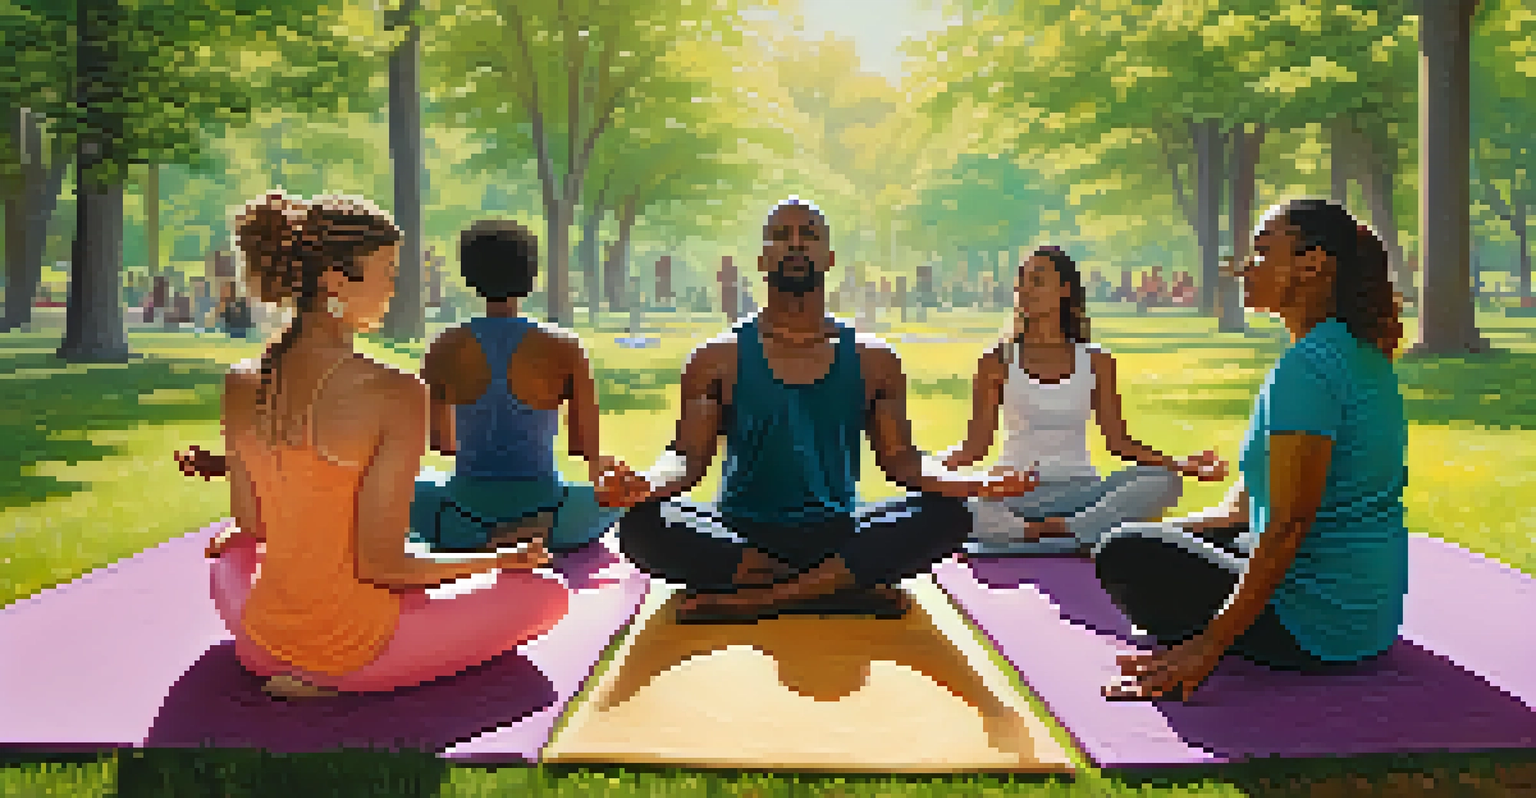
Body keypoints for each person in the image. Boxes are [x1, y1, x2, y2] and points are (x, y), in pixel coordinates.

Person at [197, 191, 571, 700]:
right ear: (334, 279)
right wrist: (498, 559)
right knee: (548, 594)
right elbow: (384, 567)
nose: (395, 288)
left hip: (261, 638)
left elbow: (253, 524)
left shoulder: (240, 381)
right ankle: (329, 677)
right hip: (353, 647)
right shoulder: (394, 391)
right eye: (388, 272)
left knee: (232, 552)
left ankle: (294, 659)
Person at [616, 197, 1038, 624]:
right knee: (640, 526)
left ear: (829, 257)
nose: (796, 244)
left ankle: (760, 599)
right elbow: (686, 458)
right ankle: (832, 589)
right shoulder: (716, 359)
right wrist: (643, 484)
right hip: (741, 534)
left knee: (948, 515)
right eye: (782, 236)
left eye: (809, 236)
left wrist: (975, 482)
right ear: (763, 259)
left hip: (835, 531)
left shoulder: (875, 360)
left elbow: (902, 462)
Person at [1095, 199, 1408, 701]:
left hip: (1317, 627)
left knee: (1125, 555)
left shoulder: (1307, 368)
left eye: (1263, 252)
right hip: (1366, 619)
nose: (1246, 266)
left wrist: (1209, 644)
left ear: (1313, 263)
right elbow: (1241, 509)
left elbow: (1288, 524)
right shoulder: (1357, 353)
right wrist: (1162, 530)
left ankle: (1234, 629)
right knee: (1148, 538)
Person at [939, 246, 1227, 556]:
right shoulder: (996, 360)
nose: (1024, 289)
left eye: (1037, 280)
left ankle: (1057, 530)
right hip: (1013, 493)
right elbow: (975, 447)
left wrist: (1182, 465)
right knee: (959, 505)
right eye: (1021, 280)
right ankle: (1061, 532)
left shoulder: (1096, 361)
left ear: (1065, 289)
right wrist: (923, 468)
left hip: (1082, 492)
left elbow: (1118, 442)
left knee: (1164, 482)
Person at [411, 219, 650, 555]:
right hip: (551, 514)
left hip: (459, 516)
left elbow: (442, 444)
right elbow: (584, 447)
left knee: (415, 489)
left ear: (468, 278)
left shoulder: (443, 346)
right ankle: (524, 532)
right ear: (532, 276)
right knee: (619, 497)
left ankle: (486, 536)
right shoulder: (565, 346)